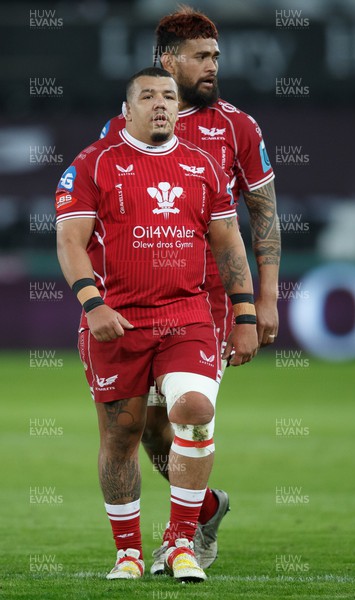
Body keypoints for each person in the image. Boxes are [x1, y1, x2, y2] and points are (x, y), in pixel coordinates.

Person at [56, 67, 258, 583]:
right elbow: (71, 242)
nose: (161, 104)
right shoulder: (93, 164)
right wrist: (92, 304)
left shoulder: (203, 166)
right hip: (118, 322)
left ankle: (181, 542)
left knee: (194, 409)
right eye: (148, 96)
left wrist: (245, 314)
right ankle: (127, 553)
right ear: (127, 110)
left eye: (168, 96)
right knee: (123, 436)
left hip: (187, 315)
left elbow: (230, 242)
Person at [101, 5, 281, 573]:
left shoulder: (239, 127)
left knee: (188, 412)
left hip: (206, 303)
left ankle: (181, 538)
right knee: (143, 427)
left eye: (216, 57)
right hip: (137, 301)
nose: (212, 66)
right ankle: (204, 507)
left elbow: (264, 217)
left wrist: (264, 301)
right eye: (201, 57)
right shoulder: (125, 125)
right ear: (167, 60)